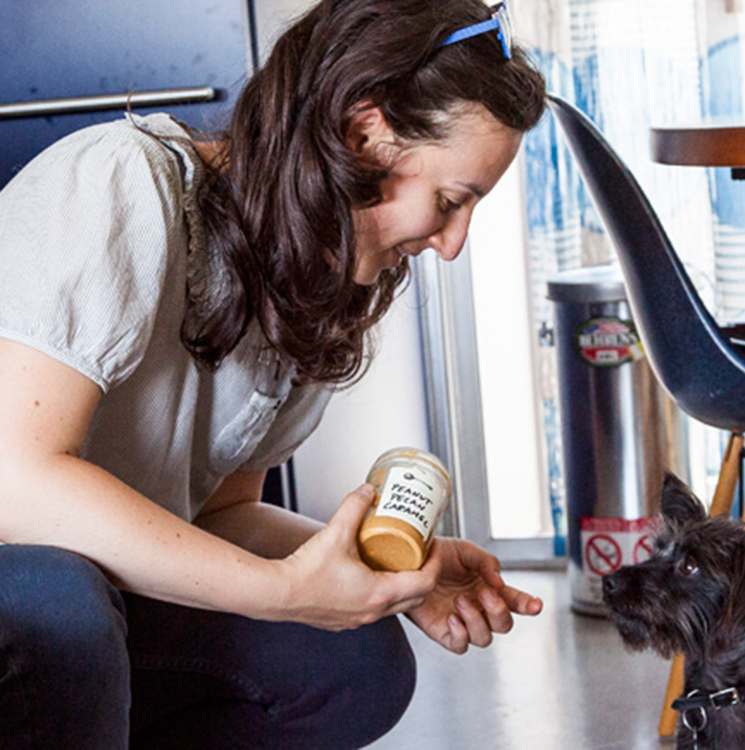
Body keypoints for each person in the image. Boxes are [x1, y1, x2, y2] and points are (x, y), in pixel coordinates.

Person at [0, 0, 548, 747]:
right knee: (64, 608)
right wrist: (280, 592)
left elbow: (221, 516)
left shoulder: (308, 291)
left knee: (353, 659)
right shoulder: (120, 185)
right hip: (30, 591)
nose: (451, 245)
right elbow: (16, 484)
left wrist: (382, 572)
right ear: (363, 134)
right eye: (450, 202)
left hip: (98, 603)